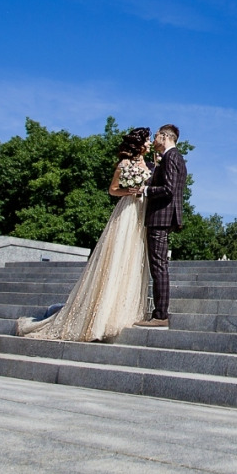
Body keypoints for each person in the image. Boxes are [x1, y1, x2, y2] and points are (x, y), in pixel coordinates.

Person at [16, 127, 153, 341]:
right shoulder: (124, 165)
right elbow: (112, 189)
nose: (150, 143)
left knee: (133, 260)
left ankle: (123, 310)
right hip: (127, 210)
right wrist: (129, 191)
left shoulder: (151, 164)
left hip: (142, 212)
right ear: (139, 143)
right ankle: (100, 316)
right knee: (117, 256)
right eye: (147, 140)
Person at [138, 123, 186, 327]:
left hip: (160, 217)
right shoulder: (172, 158)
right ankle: (159, 313)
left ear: (165, 137)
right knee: (159, 265)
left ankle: (160, 315)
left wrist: (146, 190)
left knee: (158, 266)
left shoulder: (172, 156)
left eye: (156, 135)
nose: (154, 139)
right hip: (163, 217)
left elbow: (168, 189)